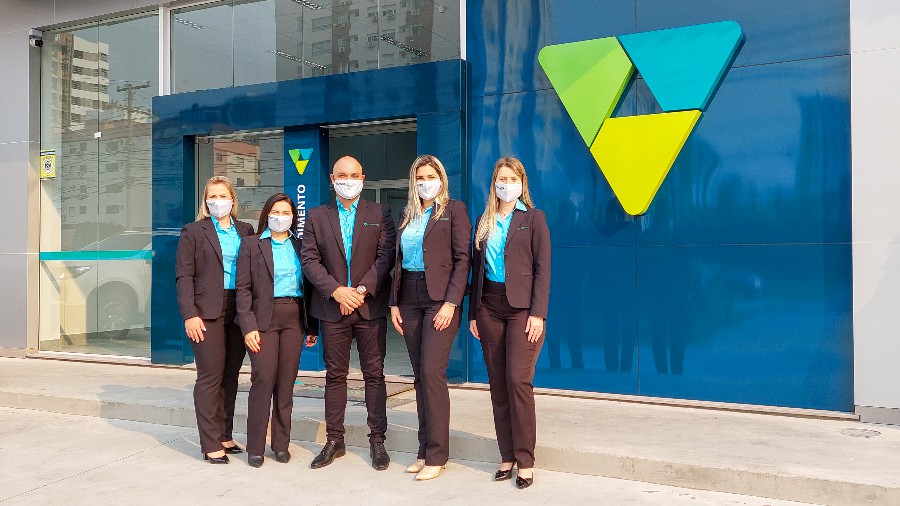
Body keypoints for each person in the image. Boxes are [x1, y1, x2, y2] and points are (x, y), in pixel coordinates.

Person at [301, 156, 397, 471]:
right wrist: (337, 291)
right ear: (332, 179)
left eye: (354, 175)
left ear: (363, 177)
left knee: (374, 375)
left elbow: (386, 256)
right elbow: (310, 260)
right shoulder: (316, 216)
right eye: (342, 175)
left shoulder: (380, 213)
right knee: (335, 376)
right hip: (333, 309)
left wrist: (359, 291)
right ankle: (335, 440)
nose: (348, 180)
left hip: (369, 307)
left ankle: (377, 440)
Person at [468, 156, 551, 489]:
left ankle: (525, 459)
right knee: (498, 384)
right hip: (489, 307)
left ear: (522, 184)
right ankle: (506, 455)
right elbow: (476, 270)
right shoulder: (483, 220)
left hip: (522, 309)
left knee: (518, 380)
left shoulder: (534, 218)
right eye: (501, 180)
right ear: (494, 184)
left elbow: (543, 268)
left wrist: (538, 313)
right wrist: (473, 313)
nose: (506, 185)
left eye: (513, 180)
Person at [388, 155, 471, 480]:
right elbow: (398, 260)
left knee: (432, 372)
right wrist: (394, 303)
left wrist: (451, 303)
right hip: (409, 296)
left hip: (440, 299)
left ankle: (437, 455)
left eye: (430, 176)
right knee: (419, 376)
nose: (425, 182)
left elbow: (463, 260)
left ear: (441, 179)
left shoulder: (454, 210)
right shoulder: (408, 213)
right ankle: (423, 451)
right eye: (419, 177)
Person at [175, 176, 254, 464]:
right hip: (206, 311)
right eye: (212, 196)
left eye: (223, 196)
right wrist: (190, 314)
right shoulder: (194, 231)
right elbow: (184, 276)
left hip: (240, 308)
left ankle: (224, 434)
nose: (217, 201)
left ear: (233, 200)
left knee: (231, 375)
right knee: (210, 376)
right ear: (205, 201)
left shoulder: (246, 230)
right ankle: (210, 443)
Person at [235, 193, 318, 468]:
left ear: (293, 217)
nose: (280, 217)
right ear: (267, 215)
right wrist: (248, 327)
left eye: (286, 213)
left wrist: (312, 326)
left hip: (294, 317)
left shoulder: (300, 245)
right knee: (263, 379)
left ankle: (281, 445)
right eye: (275, 212)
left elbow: (310, 288)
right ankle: (255, 447)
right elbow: (243, 289)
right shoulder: (251, 244)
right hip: (262, 320)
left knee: (286, 383)